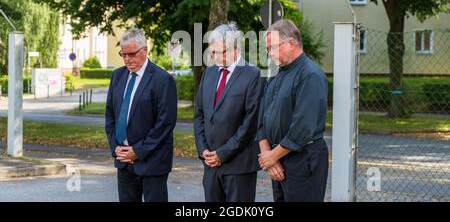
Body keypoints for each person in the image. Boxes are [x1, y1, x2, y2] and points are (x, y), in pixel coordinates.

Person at [256, 19, 329, 202]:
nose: (270, 54)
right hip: (278, 160)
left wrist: (272, 156)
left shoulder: (310, 75)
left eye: (273, 47)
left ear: (291, 43)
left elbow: (303, 127)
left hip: (303, 159)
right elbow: (261, 121)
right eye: (268, 49)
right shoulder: (276, 77)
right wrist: (268, 157)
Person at [194, 22, 265, 202]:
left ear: (236, 48)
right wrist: (204, 151)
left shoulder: (253, 74)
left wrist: (222, 154)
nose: (217, 57)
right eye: (213, 52)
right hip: (210, 164)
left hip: (239, 166)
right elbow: (199, 115)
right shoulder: (209, 73)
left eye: (222, 52)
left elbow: (250, 123)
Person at [105, 28, 177, 202]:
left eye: (132, 54)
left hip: (152, 162)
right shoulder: (118, 76)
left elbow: (165, 123)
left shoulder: (162, 79)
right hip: (123, 161)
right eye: (123, 54)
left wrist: (137, 151)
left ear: (145, 50)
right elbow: (110, 116)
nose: (127, 59)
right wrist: (115, 146)